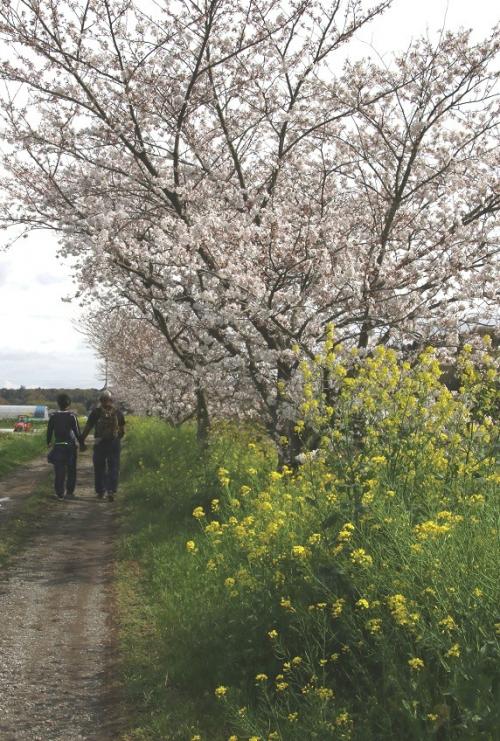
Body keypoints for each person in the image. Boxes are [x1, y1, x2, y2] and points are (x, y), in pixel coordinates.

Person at [81, 390, 125, 502]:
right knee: (113, 466)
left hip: (99, 442)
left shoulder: (95, 412)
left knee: (99, 467)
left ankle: (100, 491)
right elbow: (122, 432)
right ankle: (111, 490)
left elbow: (88, 428)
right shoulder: (118, 412)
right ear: (112, 400)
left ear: (100, 401)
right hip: (113, 443)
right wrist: (116, 439)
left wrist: (81, 441)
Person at [47, 393, 83, 500]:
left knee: (59, 470)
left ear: (58, 404)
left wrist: (48, 442)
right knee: (71, 469)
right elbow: (77, 432)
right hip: (70, 446)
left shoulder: (53, 416)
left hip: (58, 445)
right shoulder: (72, 416)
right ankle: (70, 492)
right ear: (69, 404)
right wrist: (81, 443)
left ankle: (59, 493)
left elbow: (49, 431)